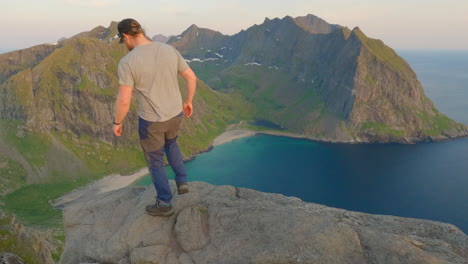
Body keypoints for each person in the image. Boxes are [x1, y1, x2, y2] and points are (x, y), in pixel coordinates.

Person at [112, 18, 197, 217]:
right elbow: (191, 77)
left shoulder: (127, 62)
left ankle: (164, 202)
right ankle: (182, 181)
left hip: (151, 122)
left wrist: (117, 122)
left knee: (155, 160)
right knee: (172, 144)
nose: (125, 45)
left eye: (123, 41)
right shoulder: (168, 50)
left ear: (125, 36)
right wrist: (189, 101)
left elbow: (124, 100)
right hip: (175, 114)